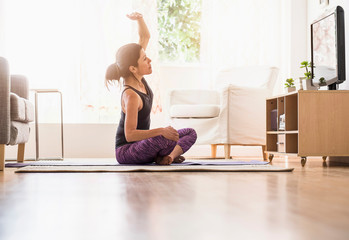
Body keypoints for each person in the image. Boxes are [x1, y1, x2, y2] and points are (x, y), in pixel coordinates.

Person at [105, 12, 197, 165]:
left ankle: (168, 158)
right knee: (163, 138)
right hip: (127, 151)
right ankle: (161, 154)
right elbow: (130, 135)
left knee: (189, 133)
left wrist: (140, 19)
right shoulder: (131, 95)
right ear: (133, 68)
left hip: (143, 146)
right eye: (144, 59)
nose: (149, 60)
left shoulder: (137, 76)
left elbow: (145, 37)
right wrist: (161, 131)